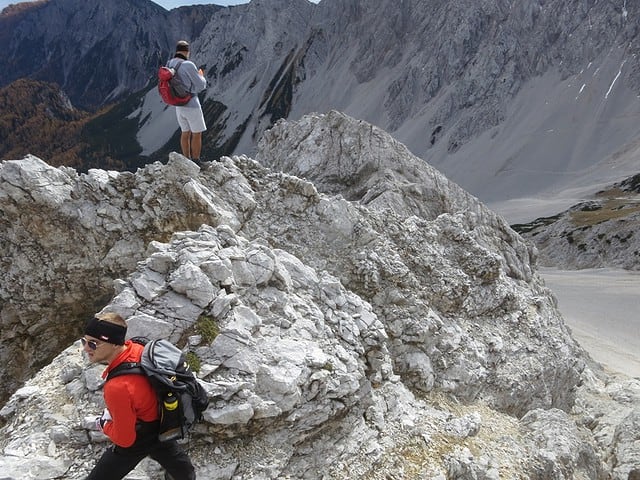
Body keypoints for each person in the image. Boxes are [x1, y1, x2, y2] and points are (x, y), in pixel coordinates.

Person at [83, 312, 196, 480]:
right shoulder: (138, 347)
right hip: (164, 421)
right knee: (181, 469)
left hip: (141, 434)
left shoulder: (117, 387)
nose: (86, 348)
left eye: (94, 343)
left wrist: (104, 424)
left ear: (114, 343)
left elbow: (125, 439)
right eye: (84, 341)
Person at [167, 40, 207, 165]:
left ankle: (186, 160)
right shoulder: (188, 64)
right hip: (191, 104)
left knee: (185, 132)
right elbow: (201, 86)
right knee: (197, 133)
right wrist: (201, 76)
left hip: (178, 105)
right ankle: (196, 160)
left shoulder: (170, 63)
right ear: (187, 52)